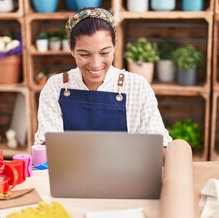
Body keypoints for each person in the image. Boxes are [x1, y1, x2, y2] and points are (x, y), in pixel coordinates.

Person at [34, 7, 172, 152]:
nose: (95, 64)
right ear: (71, 48)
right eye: (84, 54)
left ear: (115, 45)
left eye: (104, 52)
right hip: (71, 174)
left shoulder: (137, 87)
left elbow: (160, 147)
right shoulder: (55, 87)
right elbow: (47, 148)